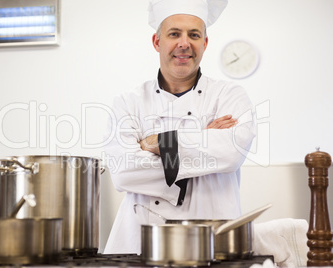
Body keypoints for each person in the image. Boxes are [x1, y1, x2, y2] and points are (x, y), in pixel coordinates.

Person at [103, 0, 256, 254]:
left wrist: (152, 143)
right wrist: (204, 140)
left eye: (194, 35)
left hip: (213, 243)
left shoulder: (229, 96)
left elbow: (231, 153)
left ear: (204, 44)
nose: (184, 44)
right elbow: (123, 172)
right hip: (138, 244)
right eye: (174, 34)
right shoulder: (128, 102)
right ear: (157, 42)